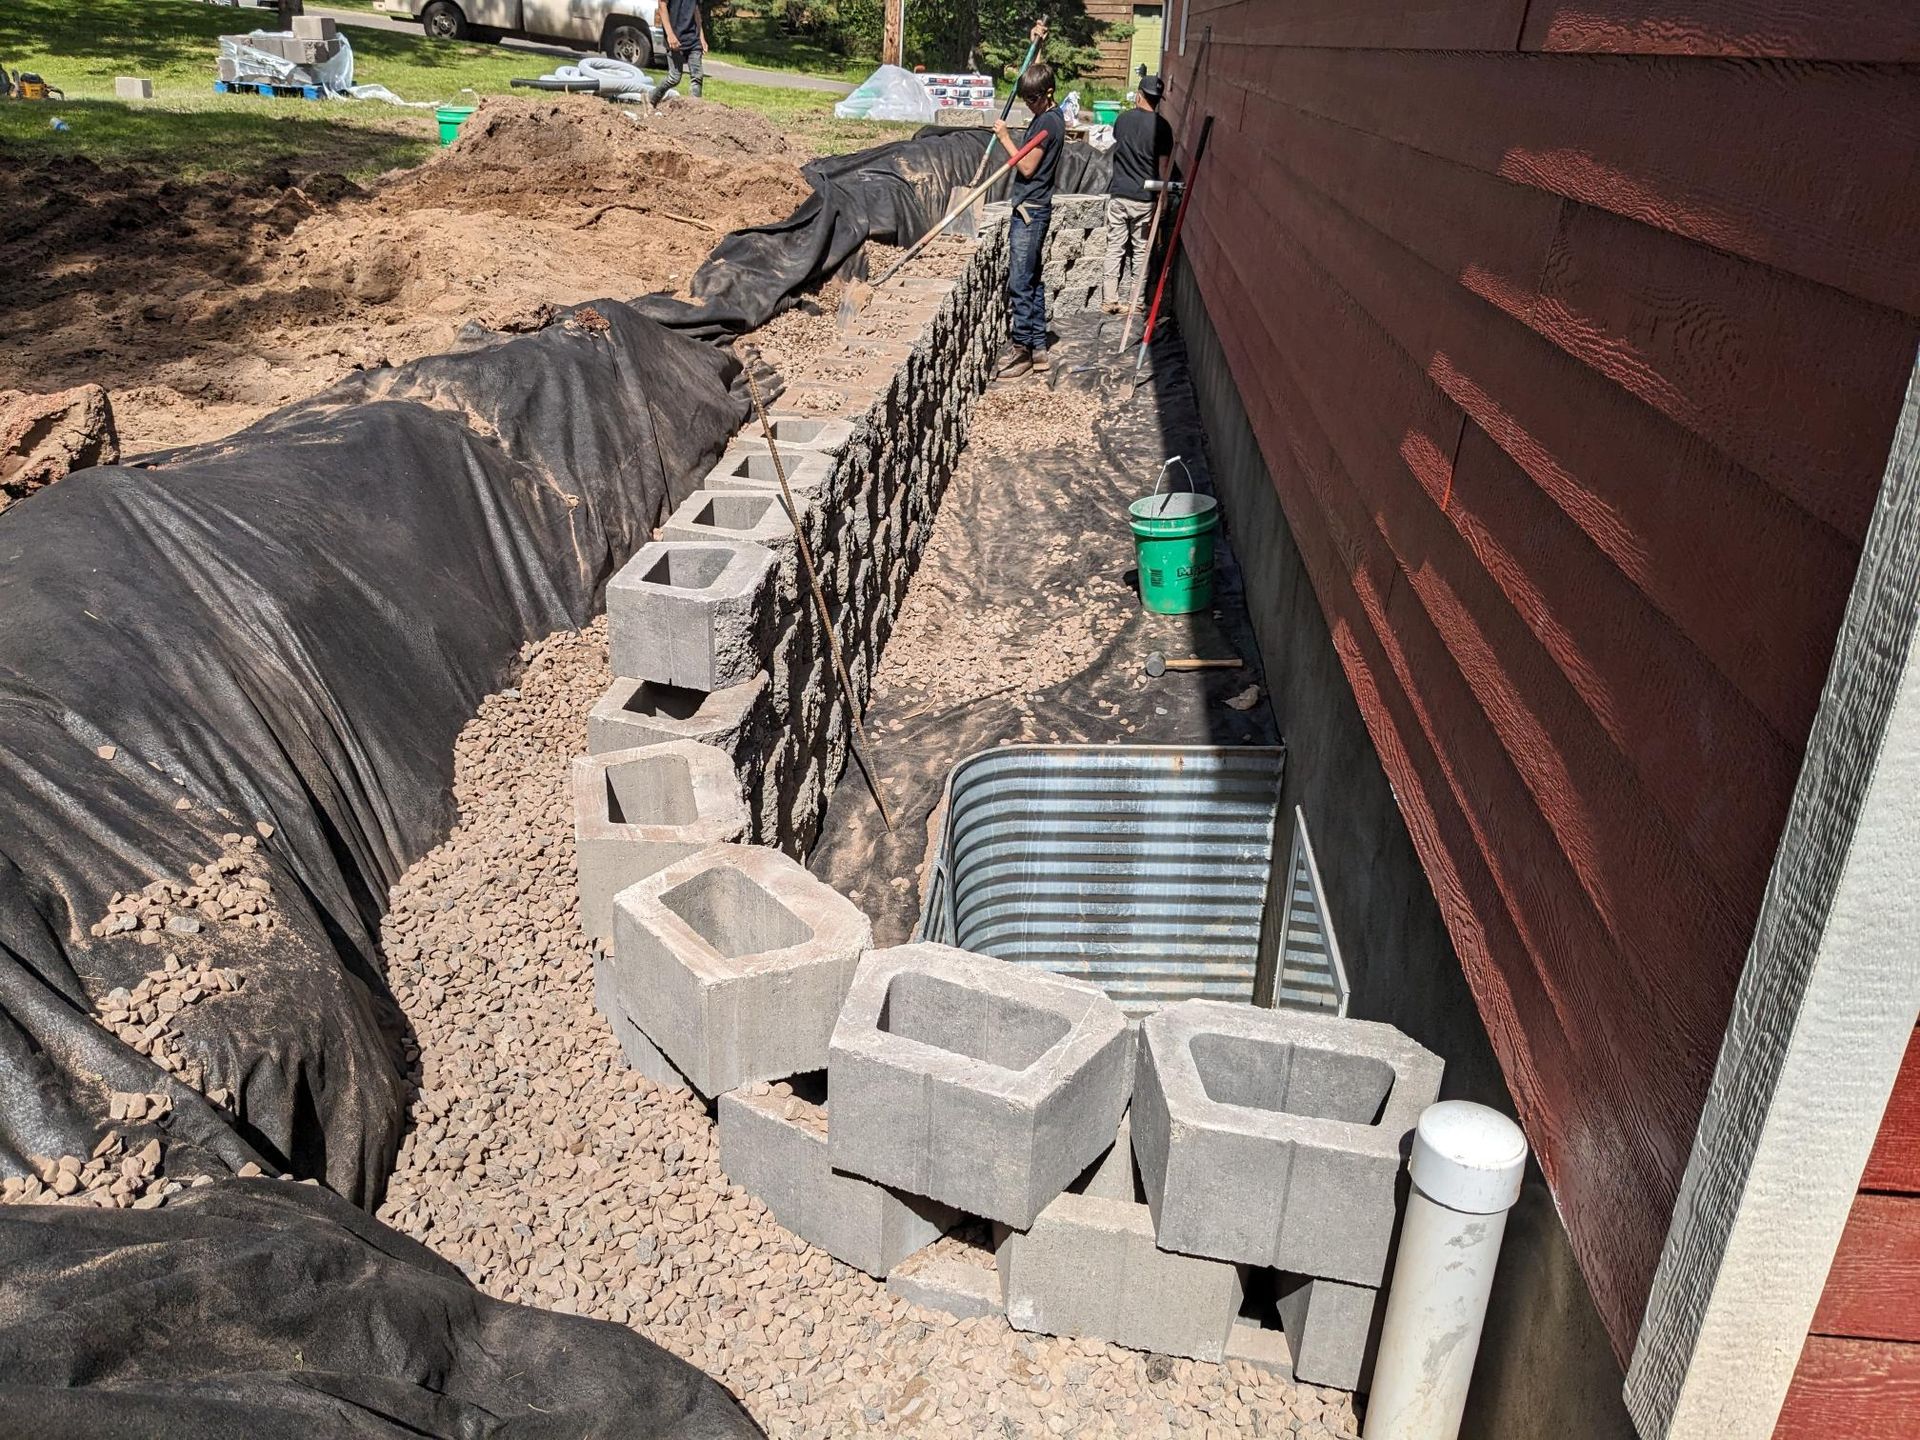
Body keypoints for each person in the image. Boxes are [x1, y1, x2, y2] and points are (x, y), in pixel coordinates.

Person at [993, 23, 1063, 380]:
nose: (1028, 104)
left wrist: (1005, 137)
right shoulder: (1051, 113)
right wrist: (1036, 45)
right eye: (1025, 99)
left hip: (1030, 211)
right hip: (1034, 209)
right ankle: (1038, 350)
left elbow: (1027, 166)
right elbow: (1037, 75)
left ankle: (1022, 348)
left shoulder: (1046, 126)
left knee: (1021, 281)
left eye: (1032, 99)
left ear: (1047, 95)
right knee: (1033, 279)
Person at [1103, 74, 1172, 314]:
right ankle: (1136, 302)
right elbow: (1163, 168)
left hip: (1120, 195)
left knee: (1115, 248)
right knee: (1141, 252)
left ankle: (1109, 299)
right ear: (1158, 100)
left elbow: (1118, 144)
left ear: (1139, 95)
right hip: (1145, 199)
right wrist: (1163, 199)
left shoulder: (1122, 120)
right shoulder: (1163, 128)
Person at [649, 0, 706, 102]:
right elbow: (662, 5)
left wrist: (701, 36)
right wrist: (670, 35)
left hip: (693, 38)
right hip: (675, 39)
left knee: (697, 77)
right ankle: (650, 98)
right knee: (674, 78)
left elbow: (695, 10)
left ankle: (696, 111)